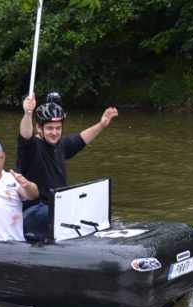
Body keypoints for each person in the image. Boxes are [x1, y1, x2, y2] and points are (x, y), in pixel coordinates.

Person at [17, 92, 119, 242]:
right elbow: (25, 133)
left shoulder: (60, 145)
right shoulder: (31, 147)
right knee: (52, 216)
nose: (54, 132)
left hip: (58, 208)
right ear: (39, 128)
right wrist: (27, 114)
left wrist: (101, 124)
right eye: (50, 128)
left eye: (58, 128)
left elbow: (80, 139)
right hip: (35, 210)